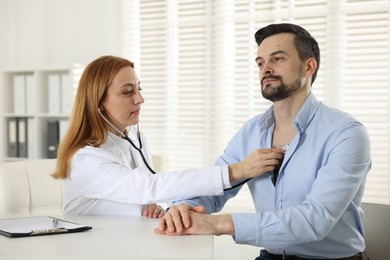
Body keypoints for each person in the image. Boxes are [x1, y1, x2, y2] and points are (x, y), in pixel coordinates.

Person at [155, 23, 371, 260]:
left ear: (309, 66)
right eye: (260, 63)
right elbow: (215, 187)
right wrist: (184, 207)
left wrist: (216, 224)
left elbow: (314, 220)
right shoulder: (251, 131)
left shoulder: (346, 134)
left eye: (277, 59)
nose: (265, 69)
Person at [52, 55, 285, 218]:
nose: (139, 99)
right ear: (99, 103)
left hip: (128, 238)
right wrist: (238, 170)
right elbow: (148, 186)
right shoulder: (85, 158)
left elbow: (146, 195)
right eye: (127, 92)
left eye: (139, 88)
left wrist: (155, 206)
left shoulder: (134, 136)